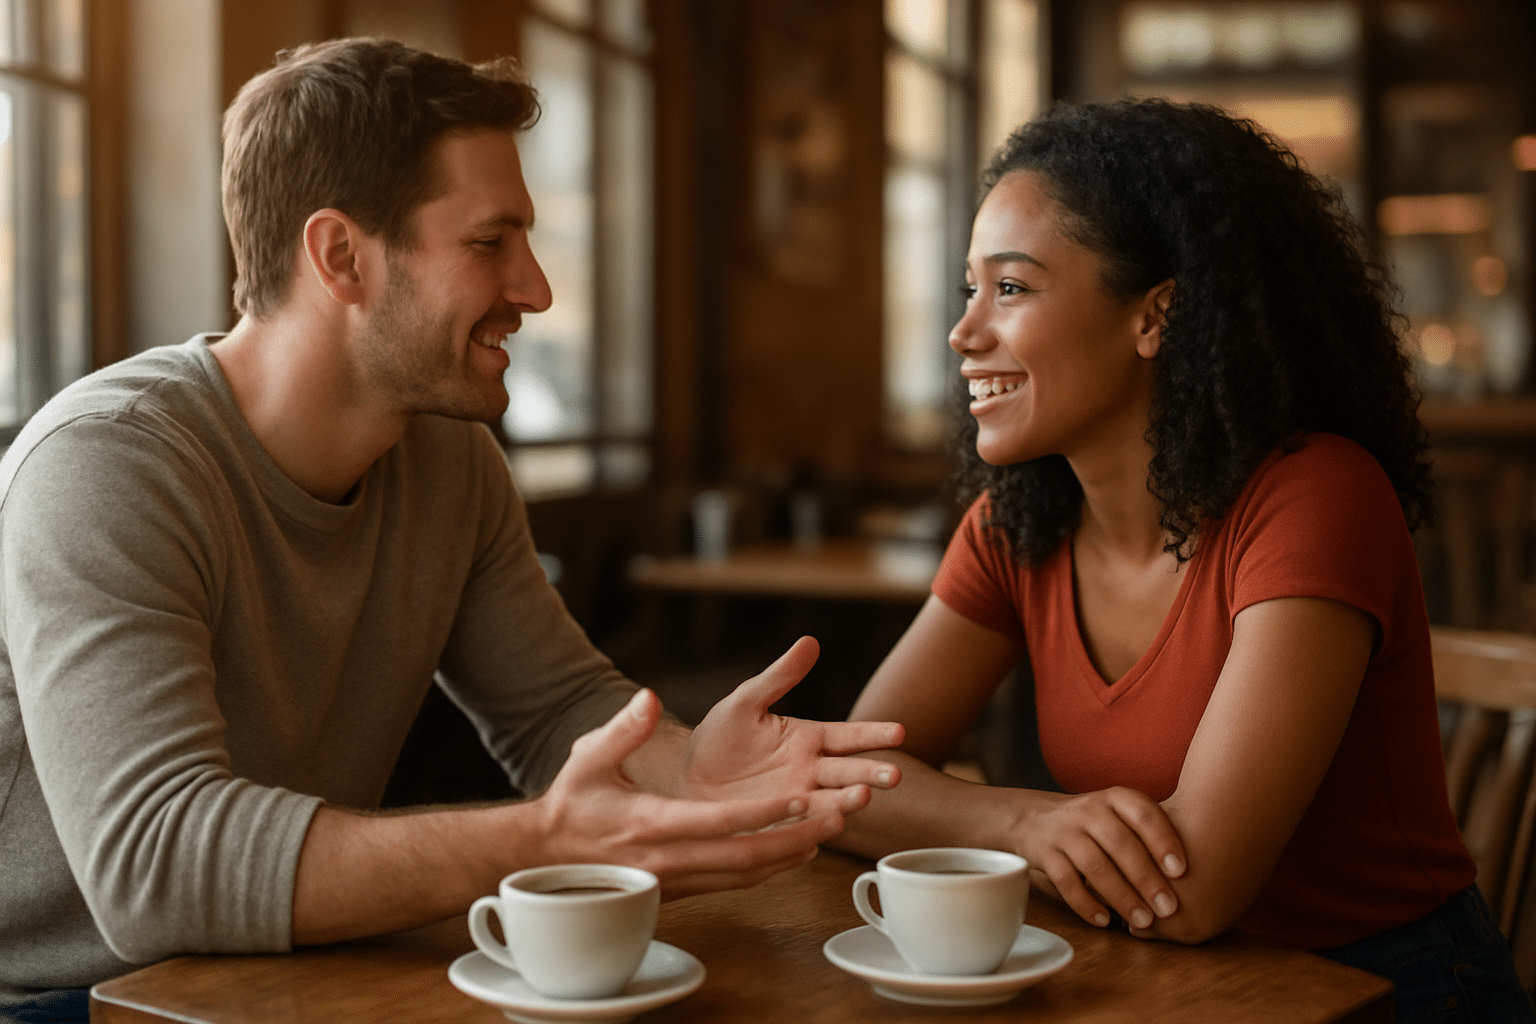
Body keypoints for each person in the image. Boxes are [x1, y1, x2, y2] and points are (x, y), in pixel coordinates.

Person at [0, 38, 903, 1021]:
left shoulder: (447, 459)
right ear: (341, 255)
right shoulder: (110, 464)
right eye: (489, 243)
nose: (537, 289)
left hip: (275, 972)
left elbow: (556, 709)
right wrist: (547, 839)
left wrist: (683, 771)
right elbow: (155, 868)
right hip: (60, 992)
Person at [836, 97, 1534, 1020]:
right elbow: (845, 787)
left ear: (1154, 315)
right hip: (1153, 983)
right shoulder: (1017, 526)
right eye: (969, 289)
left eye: (1010, 288)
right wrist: (1021, 819)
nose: (965, 334)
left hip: (1385, 992)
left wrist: (970, 821)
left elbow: (1191, 890)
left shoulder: (1315, 498)